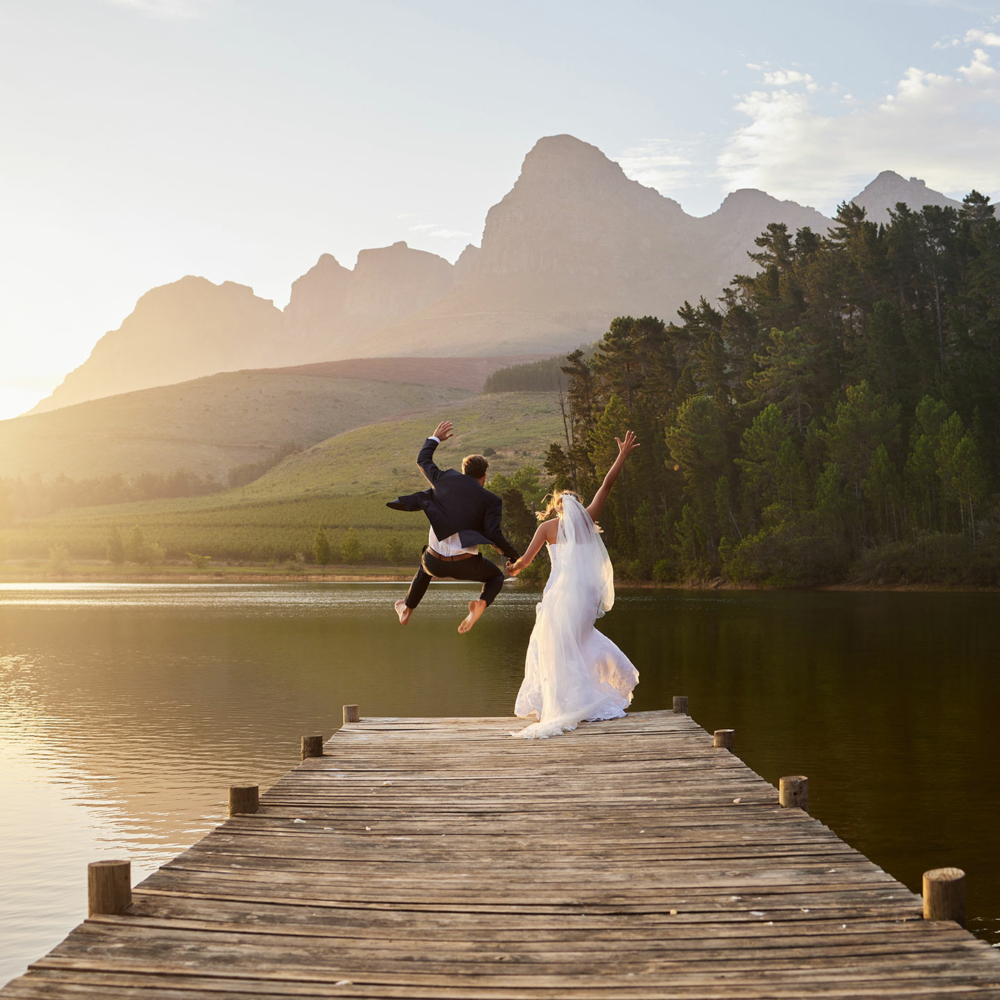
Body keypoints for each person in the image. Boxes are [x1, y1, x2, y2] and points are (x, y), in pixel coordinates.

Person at [506, 430, 640, 738]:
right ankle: (579, 699)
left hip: (559, 598)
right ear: (578, 508)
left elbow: (524, 563)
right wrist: (621, 455)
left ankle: (566, 702)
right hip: (584, 598)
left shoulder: (547, 528)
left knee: (555, 648)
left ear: (556, 507)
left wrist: (513, 568)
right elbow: (607, 485)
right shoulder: (585, 522)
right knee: (578, 644)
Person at [386, 420, 520, 634]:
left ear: (463, 471)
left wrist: (435, 438)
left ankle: (407, 609)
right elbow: (494, 535)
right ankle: (481, 603)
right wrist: (515, 558)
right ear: (484, 477)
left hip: (434, 562)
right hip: (466, 564)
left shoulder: (444, 479)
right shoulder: (491, 500)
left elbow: (423, 460)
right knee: (495, 576)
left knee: (425, 565)